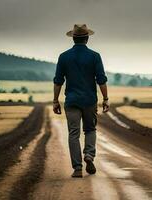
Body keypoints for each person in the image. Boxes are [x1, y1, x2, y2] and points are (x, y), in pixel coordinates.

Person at [53, 24, 109, 178]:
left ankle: (77, 168)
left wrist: (55, 101)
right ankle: (89, 155)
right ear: (87, 38)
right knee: (90, 129)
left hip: (71, 101)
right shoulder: (94, 56)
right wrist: (105, 99)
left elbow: (58, 81)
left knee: (73, 133)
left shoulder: (64, 57)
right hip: (90, 100)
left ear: (73, 38)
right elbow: (101, 80)